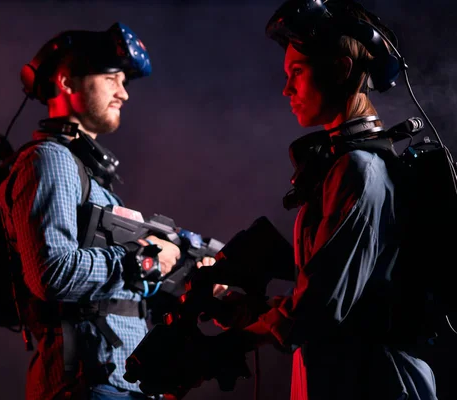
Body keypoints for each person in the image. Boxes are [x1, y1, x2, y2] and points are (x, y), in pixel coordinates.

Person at [131, 1, 439, 399]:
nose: (286, 88)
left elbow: (320, 310)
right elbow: (340, 301)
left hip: (373, 382)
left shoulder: (360, 169)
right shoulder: (347, 167)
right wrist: (254, 314)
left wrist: (223, 348)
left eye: (297, 72)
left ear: (341, 70)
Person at [0, 23, 215, 400]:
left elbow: (110, 293)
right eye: (112, 78)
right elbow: (50, 273)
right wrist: (145, 261)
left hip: (116, 383)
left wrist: (187, 275)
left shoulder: (86, 174)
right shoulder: (51, 161)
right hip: (87, 384)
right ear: (67, 82)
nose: (124, 93)